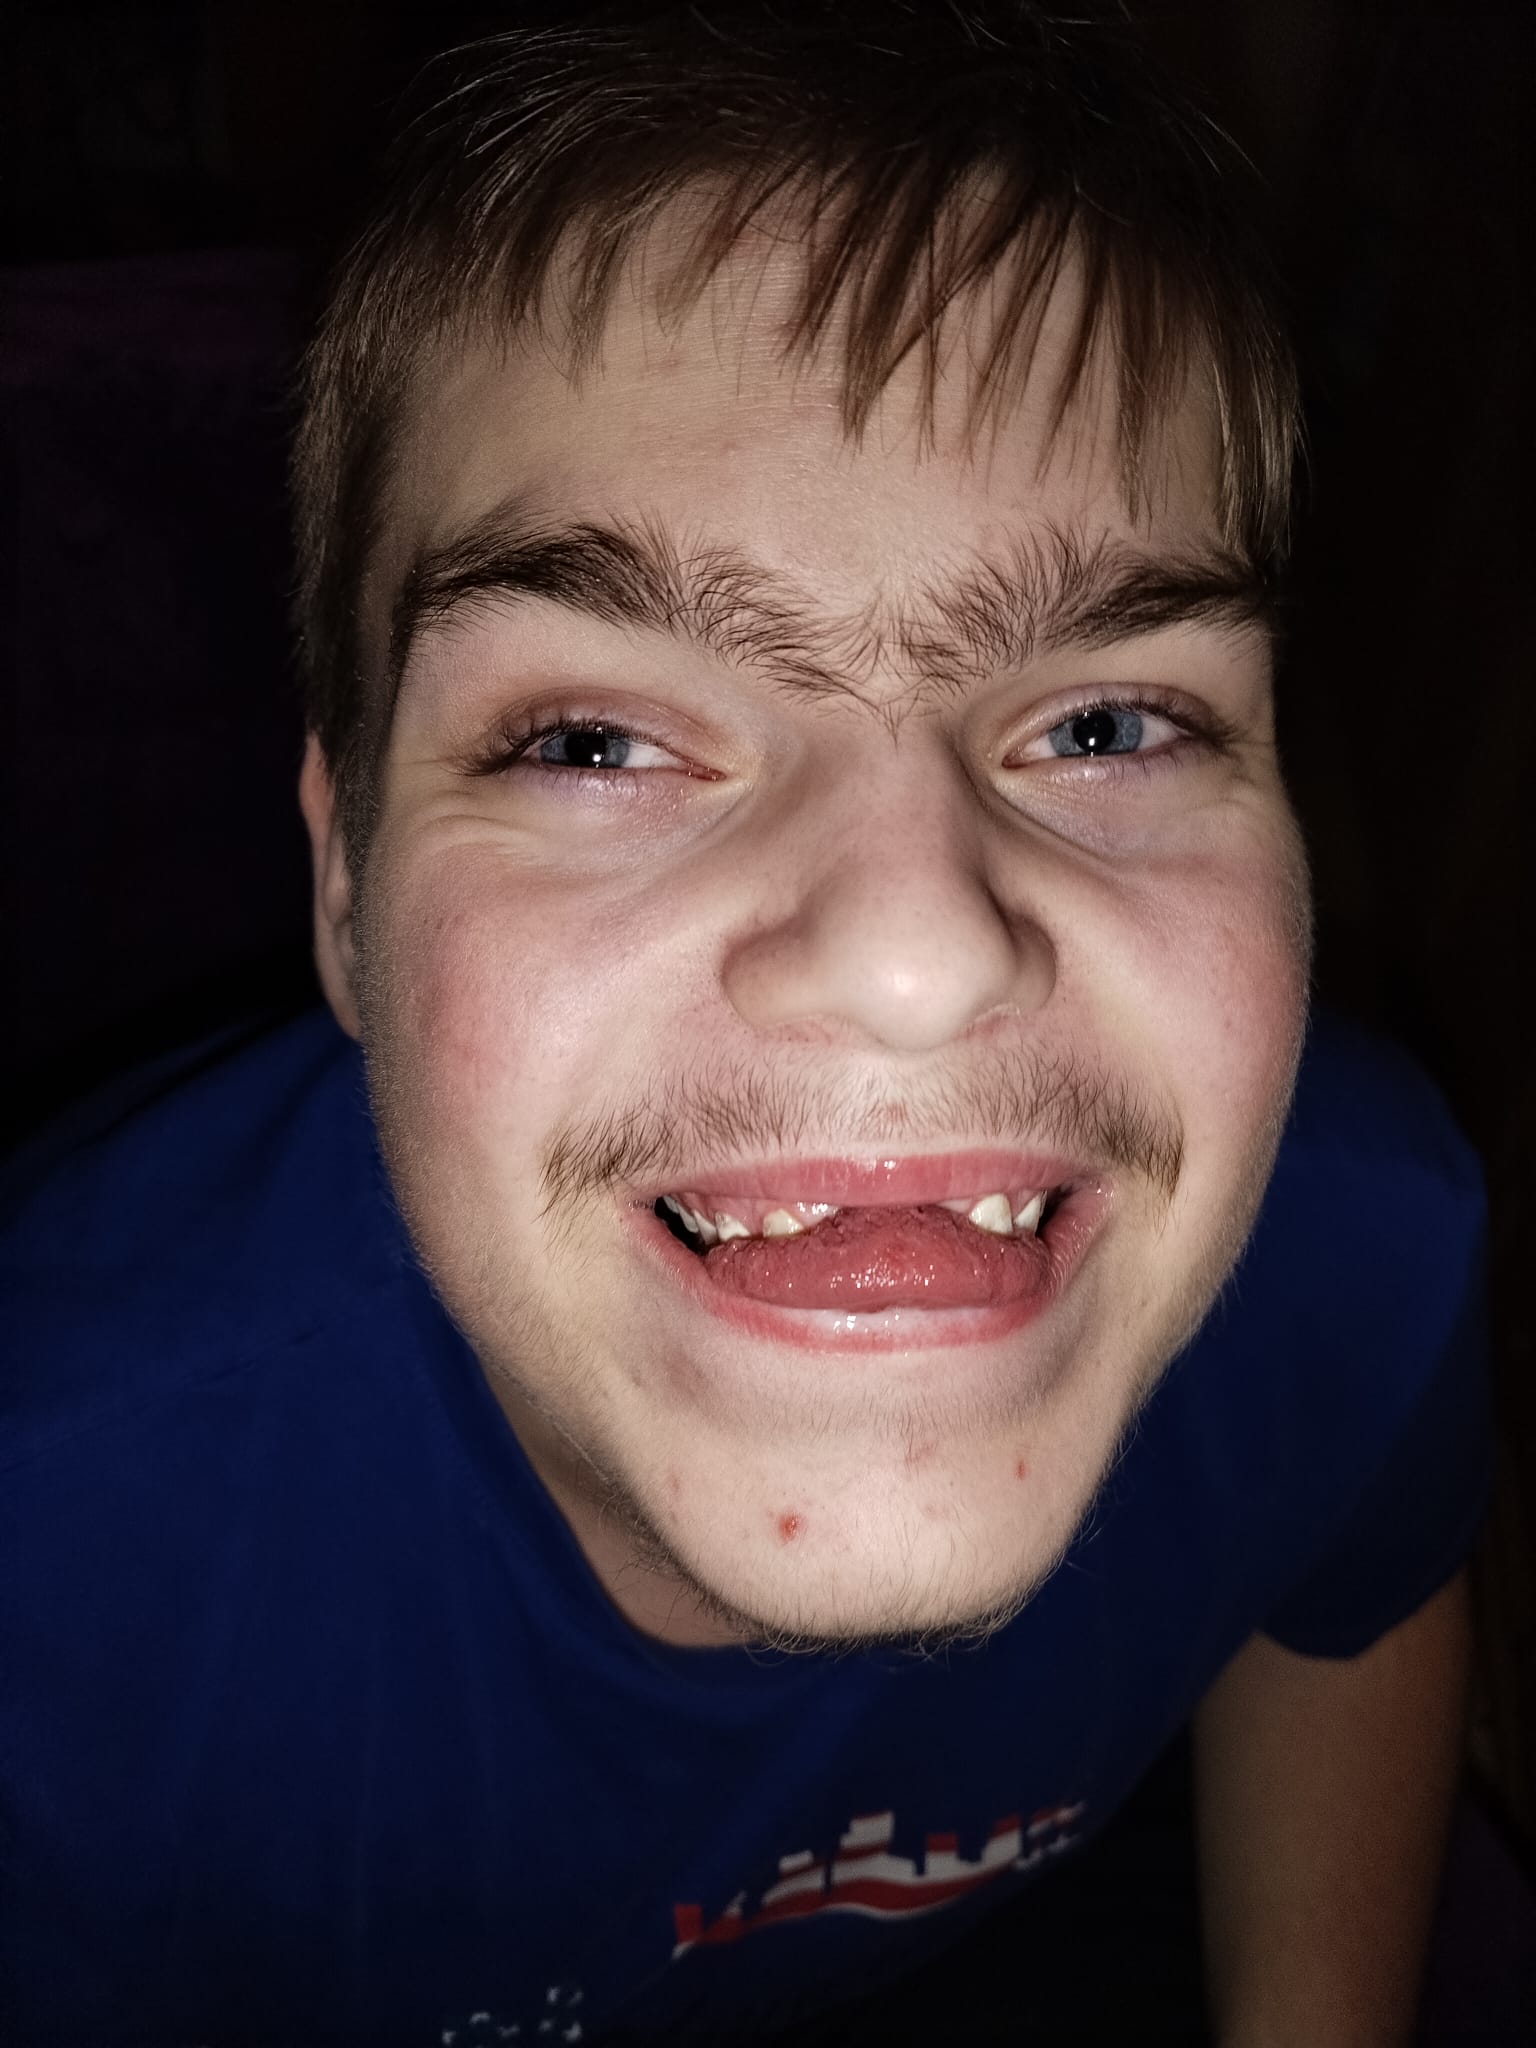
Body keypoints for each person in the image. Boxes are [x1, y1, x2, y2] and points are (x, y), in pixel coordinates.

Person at [1, 4, 1489, 2042]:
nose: (915, 955)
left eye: (1105, 722)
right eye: (598, 742)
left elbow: (1353, 1589)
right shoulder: (53, 1575)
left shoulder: (1362, 1240)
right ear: (345, 894)